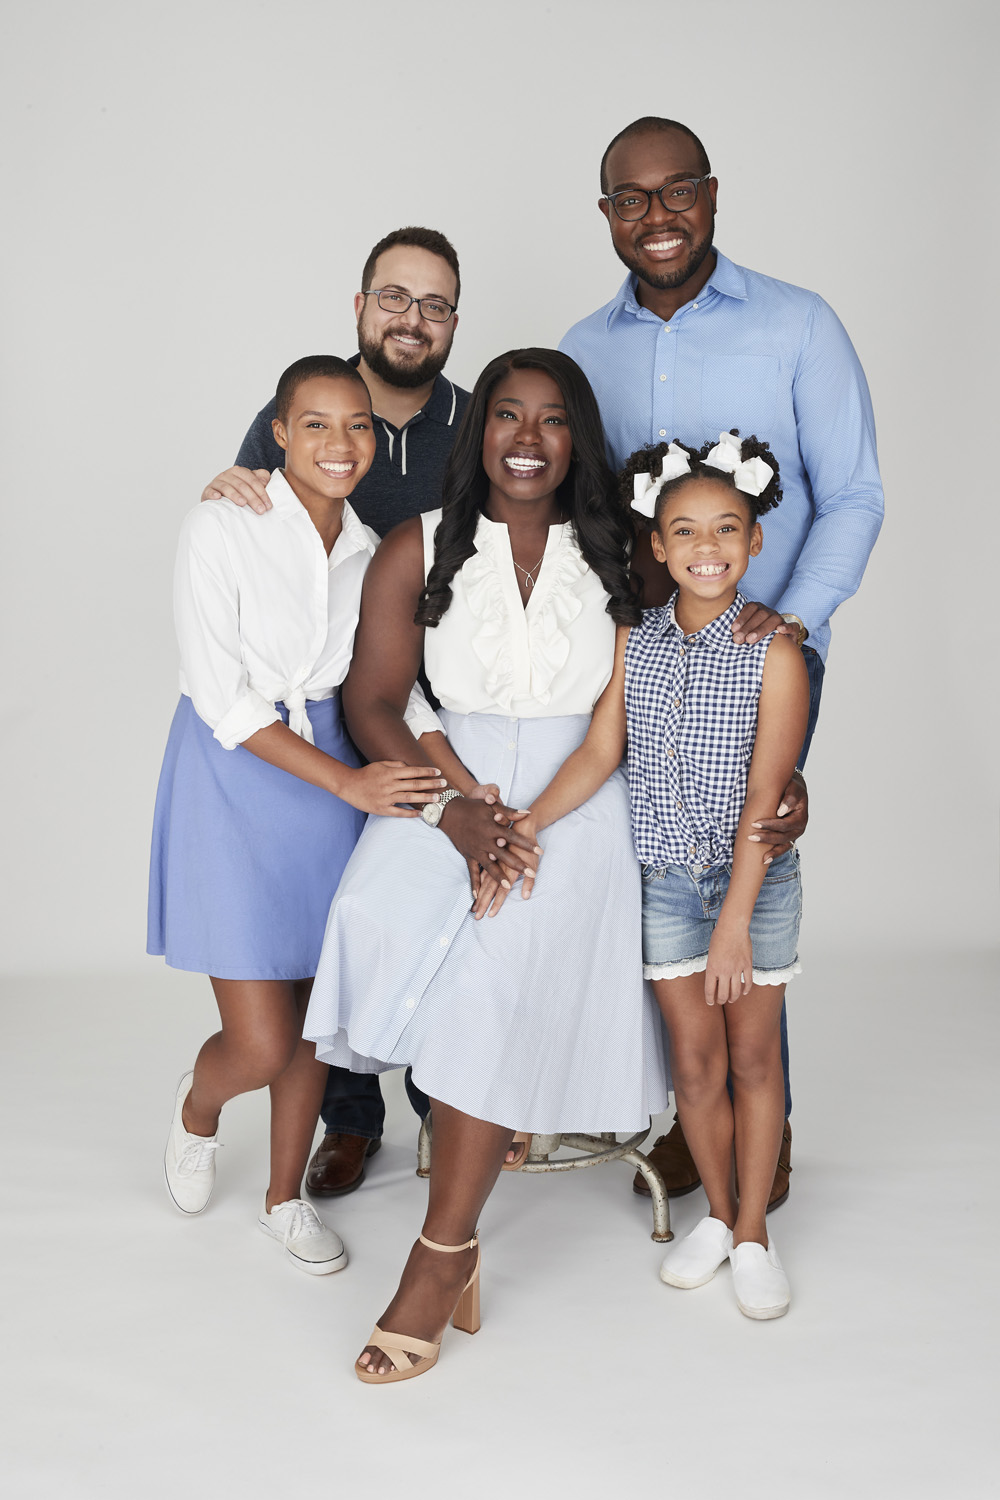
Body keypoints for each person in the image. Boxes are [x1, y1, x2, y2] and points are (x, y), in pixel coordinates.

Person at [303, 348, 672, 1382]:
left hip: (580, 799)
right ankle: (471, 1135)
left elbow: (689, 656)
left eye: (551, 419)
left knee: (499, 966)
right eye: (506, 414)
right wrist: (458, 810)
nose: (525, 437)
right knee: (375, 912)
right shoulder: (418, 545)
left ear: (576, 439)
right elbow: (371, 703)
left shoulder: (624, 556)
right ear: (480, 433)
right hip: (444, 781)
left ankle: (441, 1251)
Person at [561, 117, 884, 1206]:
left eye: (676, 191)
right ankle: (696, 1108)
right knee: (660, 865)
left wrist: (788, 623)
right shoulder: (583, 348)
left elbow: (853, 494)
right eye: (629, 198)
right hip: (649, 665)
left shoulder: (796, 324)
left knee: (753, 847)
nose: (656, 216)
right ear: (606, 213)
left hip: (766, 655)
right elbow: (584, 514)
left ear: (711, 194)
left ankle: (762, 1136)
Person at [492, 430, 809, 1316]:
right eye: (686, 532)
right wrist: (531, 819)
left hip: (750, 887)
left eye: (727, 530)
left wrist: (738, 920)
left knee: (752, 1060)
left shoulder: (774, 652)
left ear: (752, 543)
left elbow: (765, 797)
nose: (707, 548)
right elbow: (603, 749)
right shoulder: (638, 642)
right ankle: (715, 1213)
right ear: (658, 546)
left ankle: (753, 1232)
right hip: (666, 884)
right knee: (694, 1068)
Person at [148, 355, 445, 1273]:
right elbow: (220, 699)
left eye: (356, 425)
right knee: (261, 1038)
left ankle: (284, 1199)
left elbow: (384, 682)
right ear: (277, 432)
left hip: (329, 770)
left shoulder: (368, 547)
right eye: (315, 424)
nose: (339, 443)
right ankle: (200, 1109)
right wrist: (350, 785)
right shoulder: (220, 524)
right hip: (236, 772)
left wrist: (436, 778)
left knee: (317, 1018)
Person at [200, 226, 471, 1197]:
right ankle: (349, 1120)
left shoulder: (480, 426)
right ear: (358, 308)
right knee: (339, 924)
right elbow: (245, 533)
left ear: (451, 325)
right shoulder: (298, 414)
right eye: (394, 297)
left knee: (441, 897)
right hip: (319, 711)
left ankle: (449, 1105)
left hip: (439, 699)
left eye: (434, 305)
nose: (413, 318)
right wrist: (220, 490)